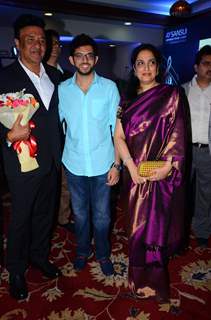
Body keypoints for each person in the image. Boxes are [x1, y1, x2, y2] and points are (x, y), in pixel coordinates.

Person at [114, 44, 187, 301]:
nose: (146, 68)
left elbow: (178, 132)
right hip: (135, 176)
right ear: (134, 68)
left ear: (158, 66)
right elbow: (119, 136)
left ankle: (155, 283)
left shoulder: (172, 94)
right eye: (140, 63)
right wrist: (131, 169)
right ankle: (137, 279)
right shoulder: (127, 100)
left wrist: (167, 168)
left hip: (161, 176)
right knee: (136, 229)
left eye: (151, 62)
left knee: (156, 230)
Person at [0, 14, 62, 300]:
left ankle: (38, 257)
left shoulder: (57, 76)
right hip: (22, 163)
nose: (37, 45)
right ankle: (15, 269)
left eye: (41, 40)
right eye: (30, 40)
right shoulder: (4, 78)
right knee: (21, 218)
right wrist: (8, 136)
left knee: (45, 215)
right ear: (17, 44)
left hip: (52, 161)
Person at [58, 34, 120, 276]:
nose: (85, 60)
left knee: (103, 217)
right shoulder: (63, 90)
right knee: (81, 215)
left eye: (89, 55)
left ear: (96, 59)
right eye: (80, 56)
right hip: (73, 164)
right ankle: (82, 250)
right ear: (72, 60)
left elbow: (118, 131)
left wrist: (117, 165)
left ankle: (103, 254)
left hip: (103, 164)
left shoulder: (109, 88)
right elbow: (57, 126)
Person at [43, 29, 73, 231]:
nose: (55, 47)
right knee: (46, 183)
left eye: (58, 44)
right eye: (51, 43)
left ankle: (63, 217)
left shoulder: (68, 76)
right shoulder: (39, 74)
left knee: (65, 182)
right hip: (45, 139)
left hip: (67, 137)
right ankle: (47, 218)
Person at [182, 45, 211, 248]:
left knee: (205, 194)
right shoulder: (183, 90)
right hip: (185, 151)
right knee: (180, 192)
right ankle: (178, 230)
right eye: (206, 63)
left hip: (207, 152)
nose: (210, 67)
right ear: (196, 67)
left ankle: (201, 230)